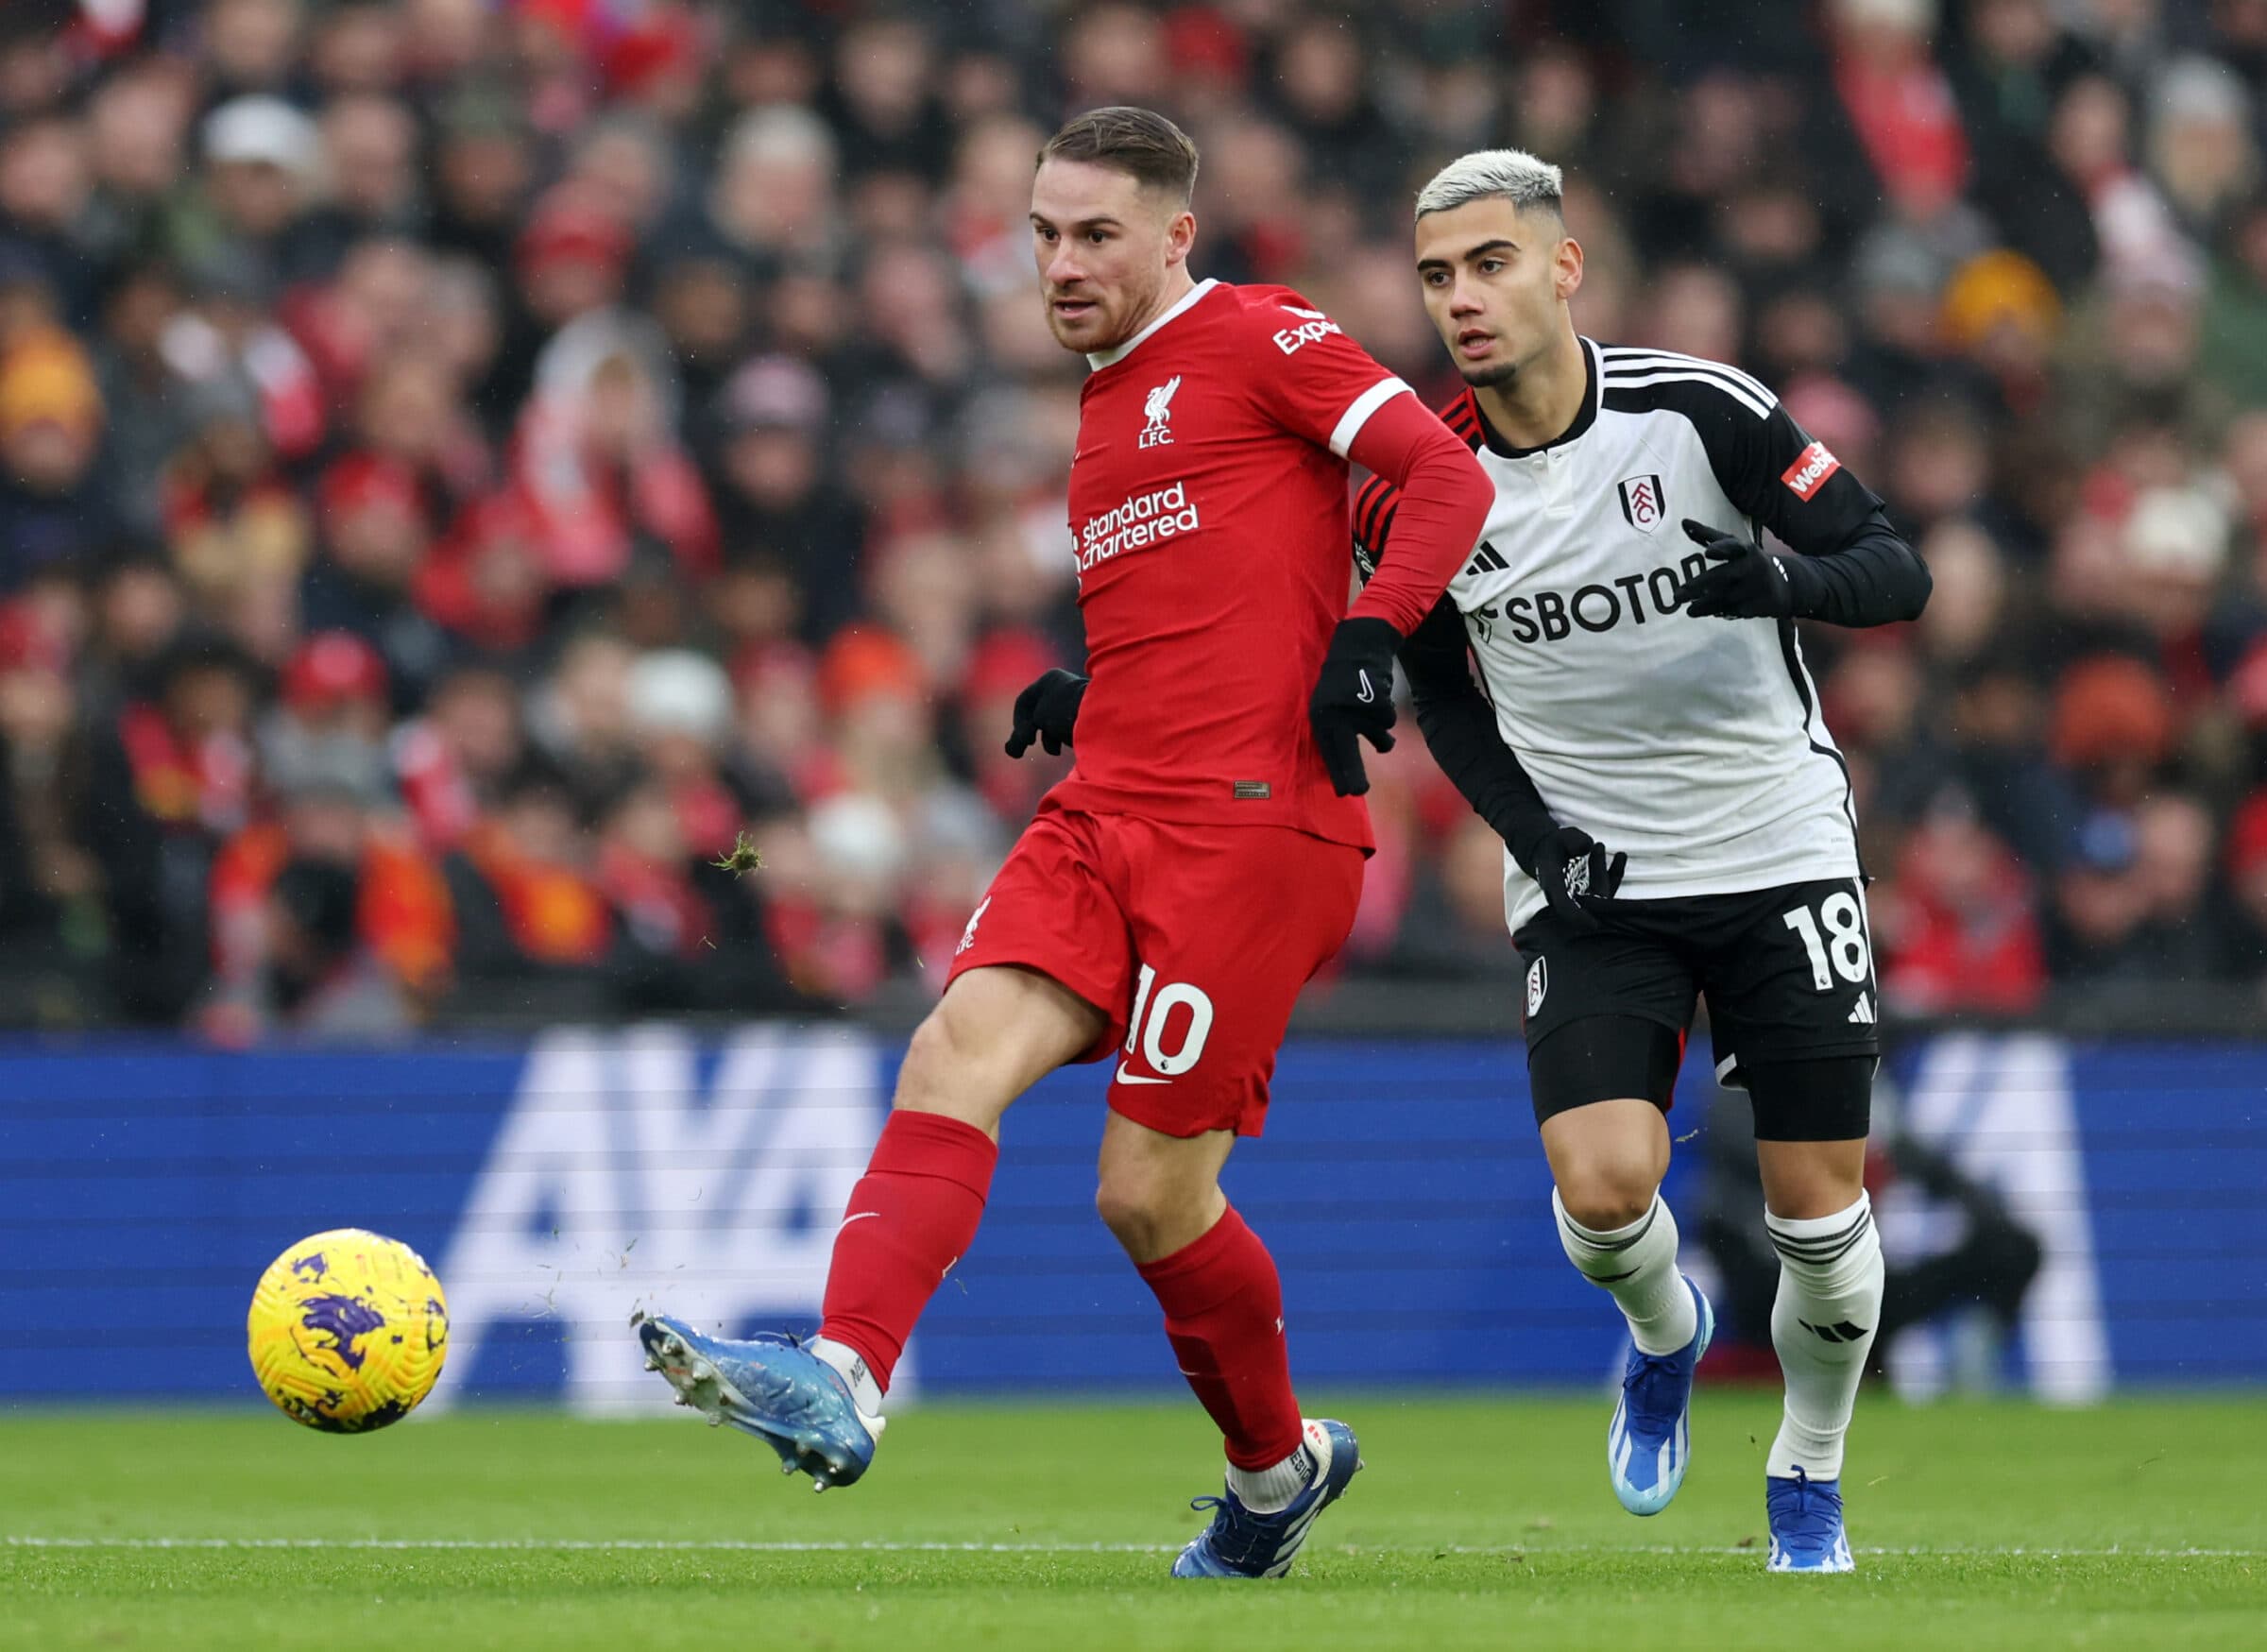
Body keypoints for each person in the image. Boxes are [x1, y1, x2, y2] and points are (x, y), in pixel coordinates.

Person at [634, 106, 1491, 1579]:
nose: (1062, 261)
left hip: (1251, 826)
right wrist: (1112, 677)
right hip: (1109, 804)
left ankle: (1274, 1471)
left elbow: (1446, 477)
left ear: (1176, 235)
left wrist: (1369, 634)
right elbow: (1227, 573)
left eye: (1096, 234)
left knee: (1146, 1193)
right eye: (1043, 233)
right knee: (951, 1052)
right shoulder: (1104, 402)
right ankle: (845, 1373)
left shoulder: (1262, 335)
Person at [1354, 150, 1930, 1573]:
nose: (1463, 300)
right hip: (1593, 870)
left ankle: (1809, 1464)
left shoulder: (1699, 411)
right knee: (1608, 1189)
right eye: (1438, 276)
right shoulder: (1423, 480)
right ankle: (1665, 1334)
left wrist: (1791, 580)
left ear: (1563, 268)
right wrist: (1538, 838)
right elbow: (1443, 691)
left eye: (1489, 264)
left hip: (1776, 841)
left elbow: (1893, 568)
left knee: (1817, 1205)